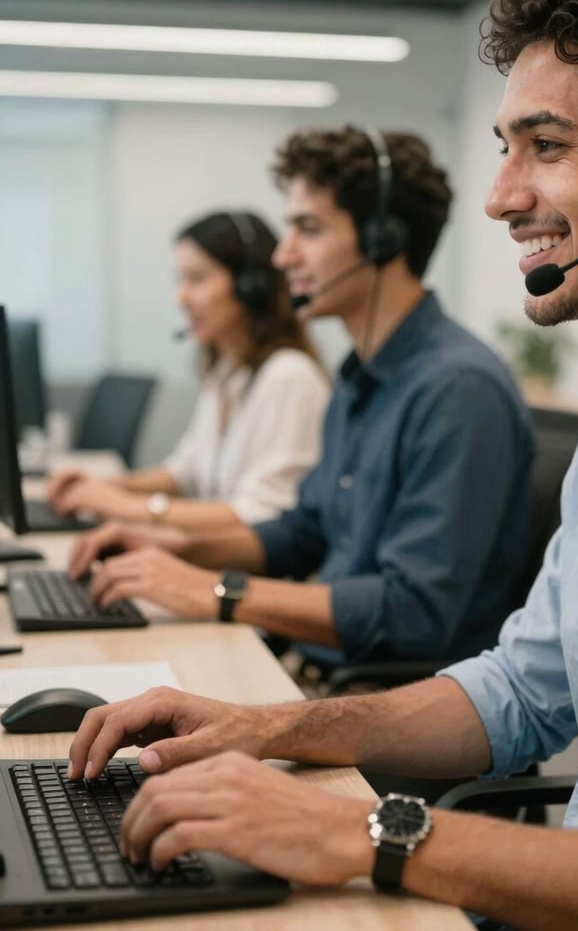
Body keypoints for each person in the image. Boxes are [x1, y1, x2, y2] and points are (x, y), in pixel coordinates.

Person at [68, 0, 578, 929]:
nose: (499, 196)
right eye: (502, 146)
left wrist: (372, 834)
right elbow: (520, 688)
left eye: (545, 146)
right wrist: (263, 726)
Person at [66, 126, 534, 670]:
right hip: (323, 671)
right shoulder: (360, 377)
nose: (283, 258)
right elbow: (302, 533)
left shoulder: (456, 389)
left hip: (389, 705)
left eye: (306, 229)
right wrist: (169, 549)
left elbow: (413, 612)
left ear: (384, 239)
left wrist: (217, 590)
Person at [46, 211, 329, 529]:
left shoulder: (289, 378)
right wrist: (109, 486)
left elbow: (264, 514)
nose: (181, 298)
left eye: (197, 278)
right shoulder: (226, 373)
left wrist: (125, 506)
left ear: (250, 286)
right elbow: (187, 471)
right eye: (180, 280)